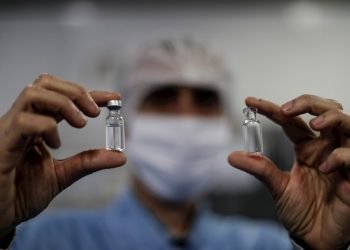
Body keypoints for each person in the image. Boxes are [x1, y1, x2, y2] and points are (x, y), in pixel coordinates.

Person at [1, 40, 350, 250]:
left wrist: (323, 248)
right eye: (163, 96)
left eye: (204, 99)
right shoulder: (41, 241)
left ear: (225, 121)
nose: (185, 116)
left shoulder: (269, 245)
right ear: (128, 119)